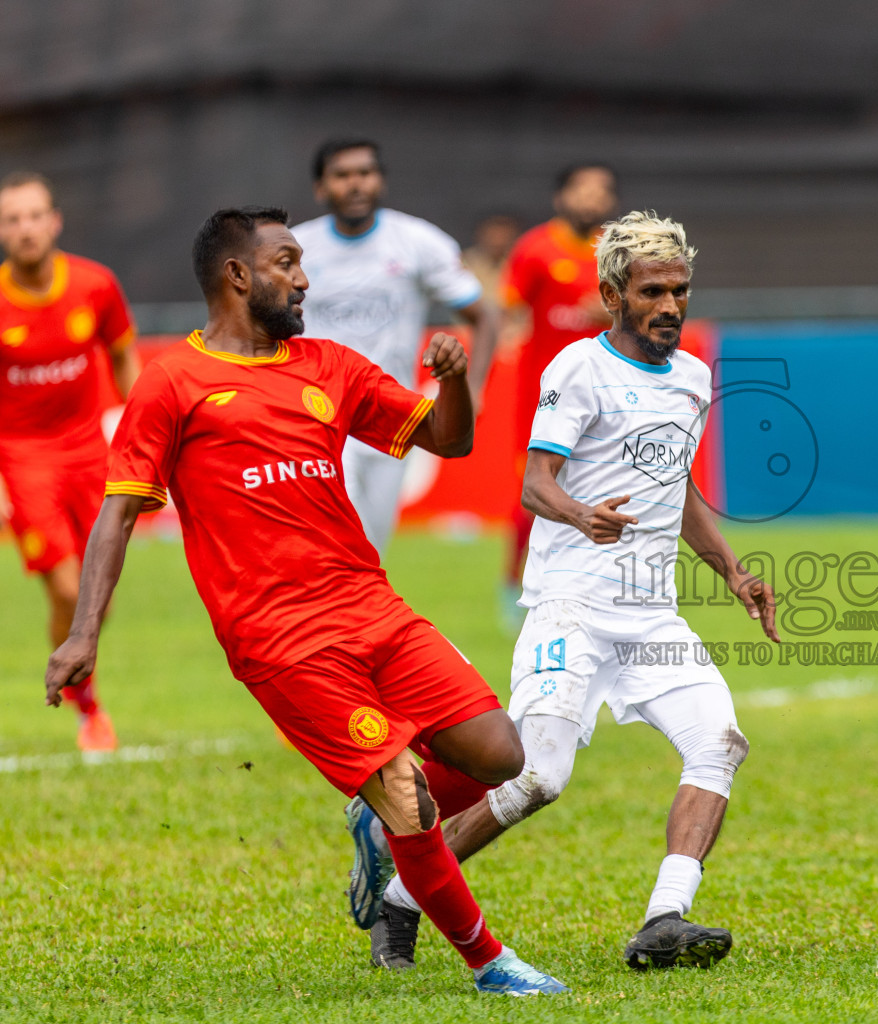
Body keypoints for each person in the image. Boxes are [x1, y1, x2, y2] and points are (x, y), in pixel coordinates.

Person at [44, 206, 565, 996]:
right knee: (407, 792)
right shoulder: (173, 383)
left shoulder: (329, 365)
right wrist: (85, 635)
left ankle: (380, 826)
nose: (304, 277)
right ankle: (491, 963)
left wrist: (454, 381)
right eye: (287, 262)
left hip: (372, 606)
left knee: (501, 757)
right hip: (279, 638)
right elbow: (118, 511)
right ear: (238, 275)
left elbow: (447, 441)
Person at [353, 211, 777, 973]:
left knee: (719, 744)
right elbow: (534, 483)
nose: (671, 305)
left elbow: (674, 485)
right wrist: (583, 514)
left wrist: (733, 571)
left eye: (680, 289)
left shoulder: (689, 376)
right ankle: (402, 897)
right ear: (614, 294)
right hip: (572, 607)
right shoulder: (577, 368)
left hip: (654, 617)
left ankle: (664, 918)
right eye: (653, 290)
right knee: (537, 778)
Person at [292, 138, 499, 557]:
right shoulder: (293, 249)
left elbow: (487, 315)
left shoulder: (418, 242)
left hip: (391, 415)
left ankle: (349, 619)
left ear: (380, 181)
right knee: (334, 537)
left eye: (365, 173)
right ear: (320, 187)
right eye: (342, 175)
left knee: (371, 549)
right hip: (318, 412)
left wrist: (474, 387)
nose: (355, 184)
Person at [0, 171, 140, 752]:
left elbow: (125, 358)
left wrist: (141, 435)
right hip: (24, 459)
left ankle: (82, 689)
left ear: (55, 221)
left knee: (94, 597)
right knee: (65, 590)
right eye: (12, 219)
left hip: (91, 454)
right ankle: (90, 710)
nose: (25, 228)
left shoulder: (95, 285)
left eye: (35, 216)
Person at [499, 164, 618, 629]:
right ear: (560, 197)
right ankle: (513, 584)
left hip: (607, 396)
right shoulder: (535, 249)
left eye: (600, 191)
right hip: (543, 396)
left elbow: (647, 308)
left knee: (605, 492)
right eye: (581, 190)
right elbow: (508, 311)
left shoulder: (618, 250)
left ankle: (595, 591)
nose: (591, 199)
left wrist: (613, 309)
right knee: (530, 495)